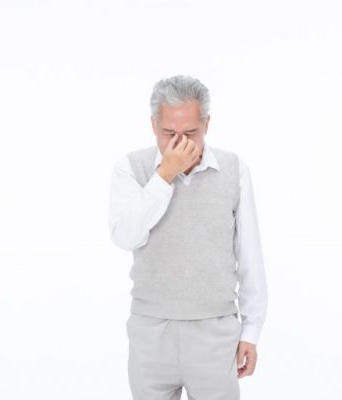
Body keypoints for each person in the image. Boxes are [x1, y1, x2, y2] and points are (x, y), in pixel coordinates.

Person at [108, 74, 268, 400]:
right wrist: (164, 174)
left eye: (191, 132)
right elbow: (125, 236)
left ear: (207, 124)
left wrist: (251, 331)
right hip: (151, 333)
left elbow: (250, 256)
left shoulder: (234, 169)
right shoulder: (131, 168)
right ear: (153, 125)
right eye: (169, 134)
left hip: (214, 332)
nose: (180, 143)